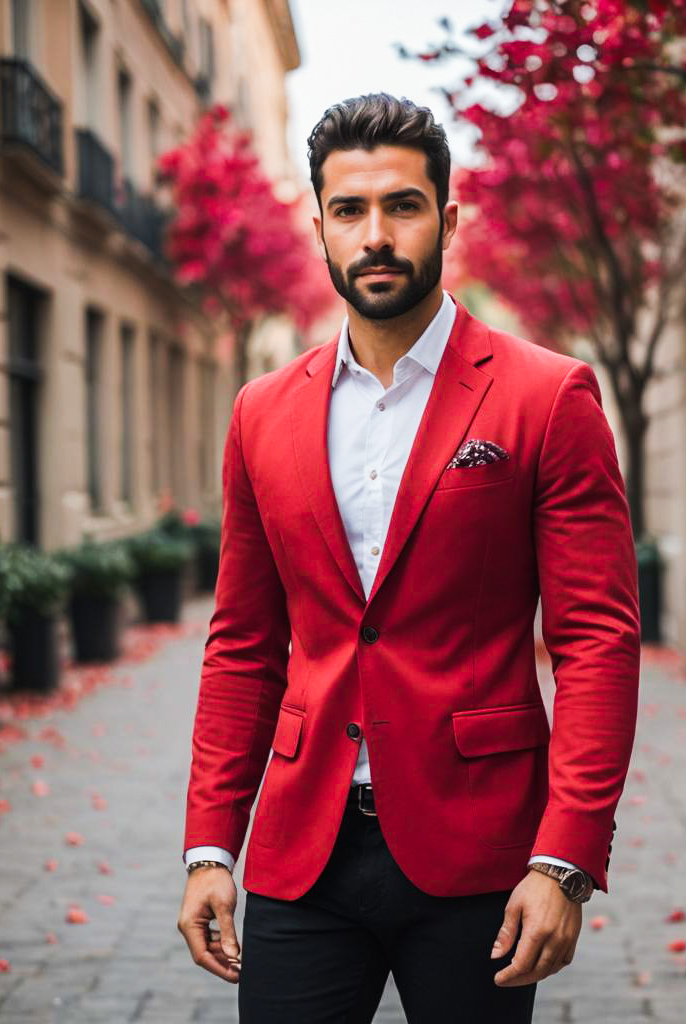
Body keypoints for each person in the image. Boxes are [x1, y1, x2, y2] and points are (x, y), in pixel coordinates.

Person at [177, 93, 640, 1024]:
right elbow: (242, 643)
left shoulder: (548, 397)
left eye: (402, 206)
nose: (376, 235)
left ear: (448, 218)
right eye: (350, 211)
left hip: (478, 850)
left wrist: (567, 861)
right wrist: (209, 847)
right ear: (319, 228)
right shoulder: (261, 411)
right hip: (301, 849)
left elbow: (597, 641)